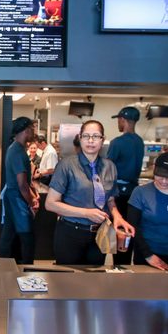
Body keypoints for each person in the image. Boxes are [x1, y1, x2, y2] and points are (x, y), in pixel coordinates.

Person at [45, 120, 134, 265]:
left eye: (96, 136)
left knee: (94, 282)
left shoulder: (110, 166)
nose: (91, 140)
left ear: (102, 140)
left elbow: (110, 199)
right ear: (80, 138)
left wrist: (117, 217)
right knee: (67, 281)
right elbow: (50, 204)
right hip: (71, 232)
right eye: (86, 136)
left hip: (101, 233)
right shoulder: (66, 165)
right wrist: (86, 213)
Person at [0, 117, 39, 264]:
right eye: (32, 129)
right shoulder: (17, 151)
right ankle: (28, 268)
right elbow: (22, 183)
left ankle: (2, 265)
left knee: (8, 232)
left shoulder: (17, 148)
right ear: (26, 129)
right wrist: (31, 201)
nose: (33, 132)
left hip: (13, 196)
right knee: (28, 236)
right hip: (17, 197)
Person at [108, 107, 145, 265]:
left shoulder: (118, 142)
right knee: (130, 229)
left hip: (119, 194)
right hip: (134, 192)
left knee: (119, 231)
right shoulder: (139, 141)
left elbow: (107, 168)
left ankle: (118, 267)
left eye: (119, 120)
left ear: (122, 120)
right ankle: (125, 264)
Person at [32, 134, 60, 259]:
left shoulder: (51, 152)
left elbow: (52, 169)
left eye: (37, 144)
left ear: (42, 142)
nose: (36, 147)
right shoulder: (46, 151)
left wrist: (40, 173)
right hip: (43, 181)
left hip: (48, 182)